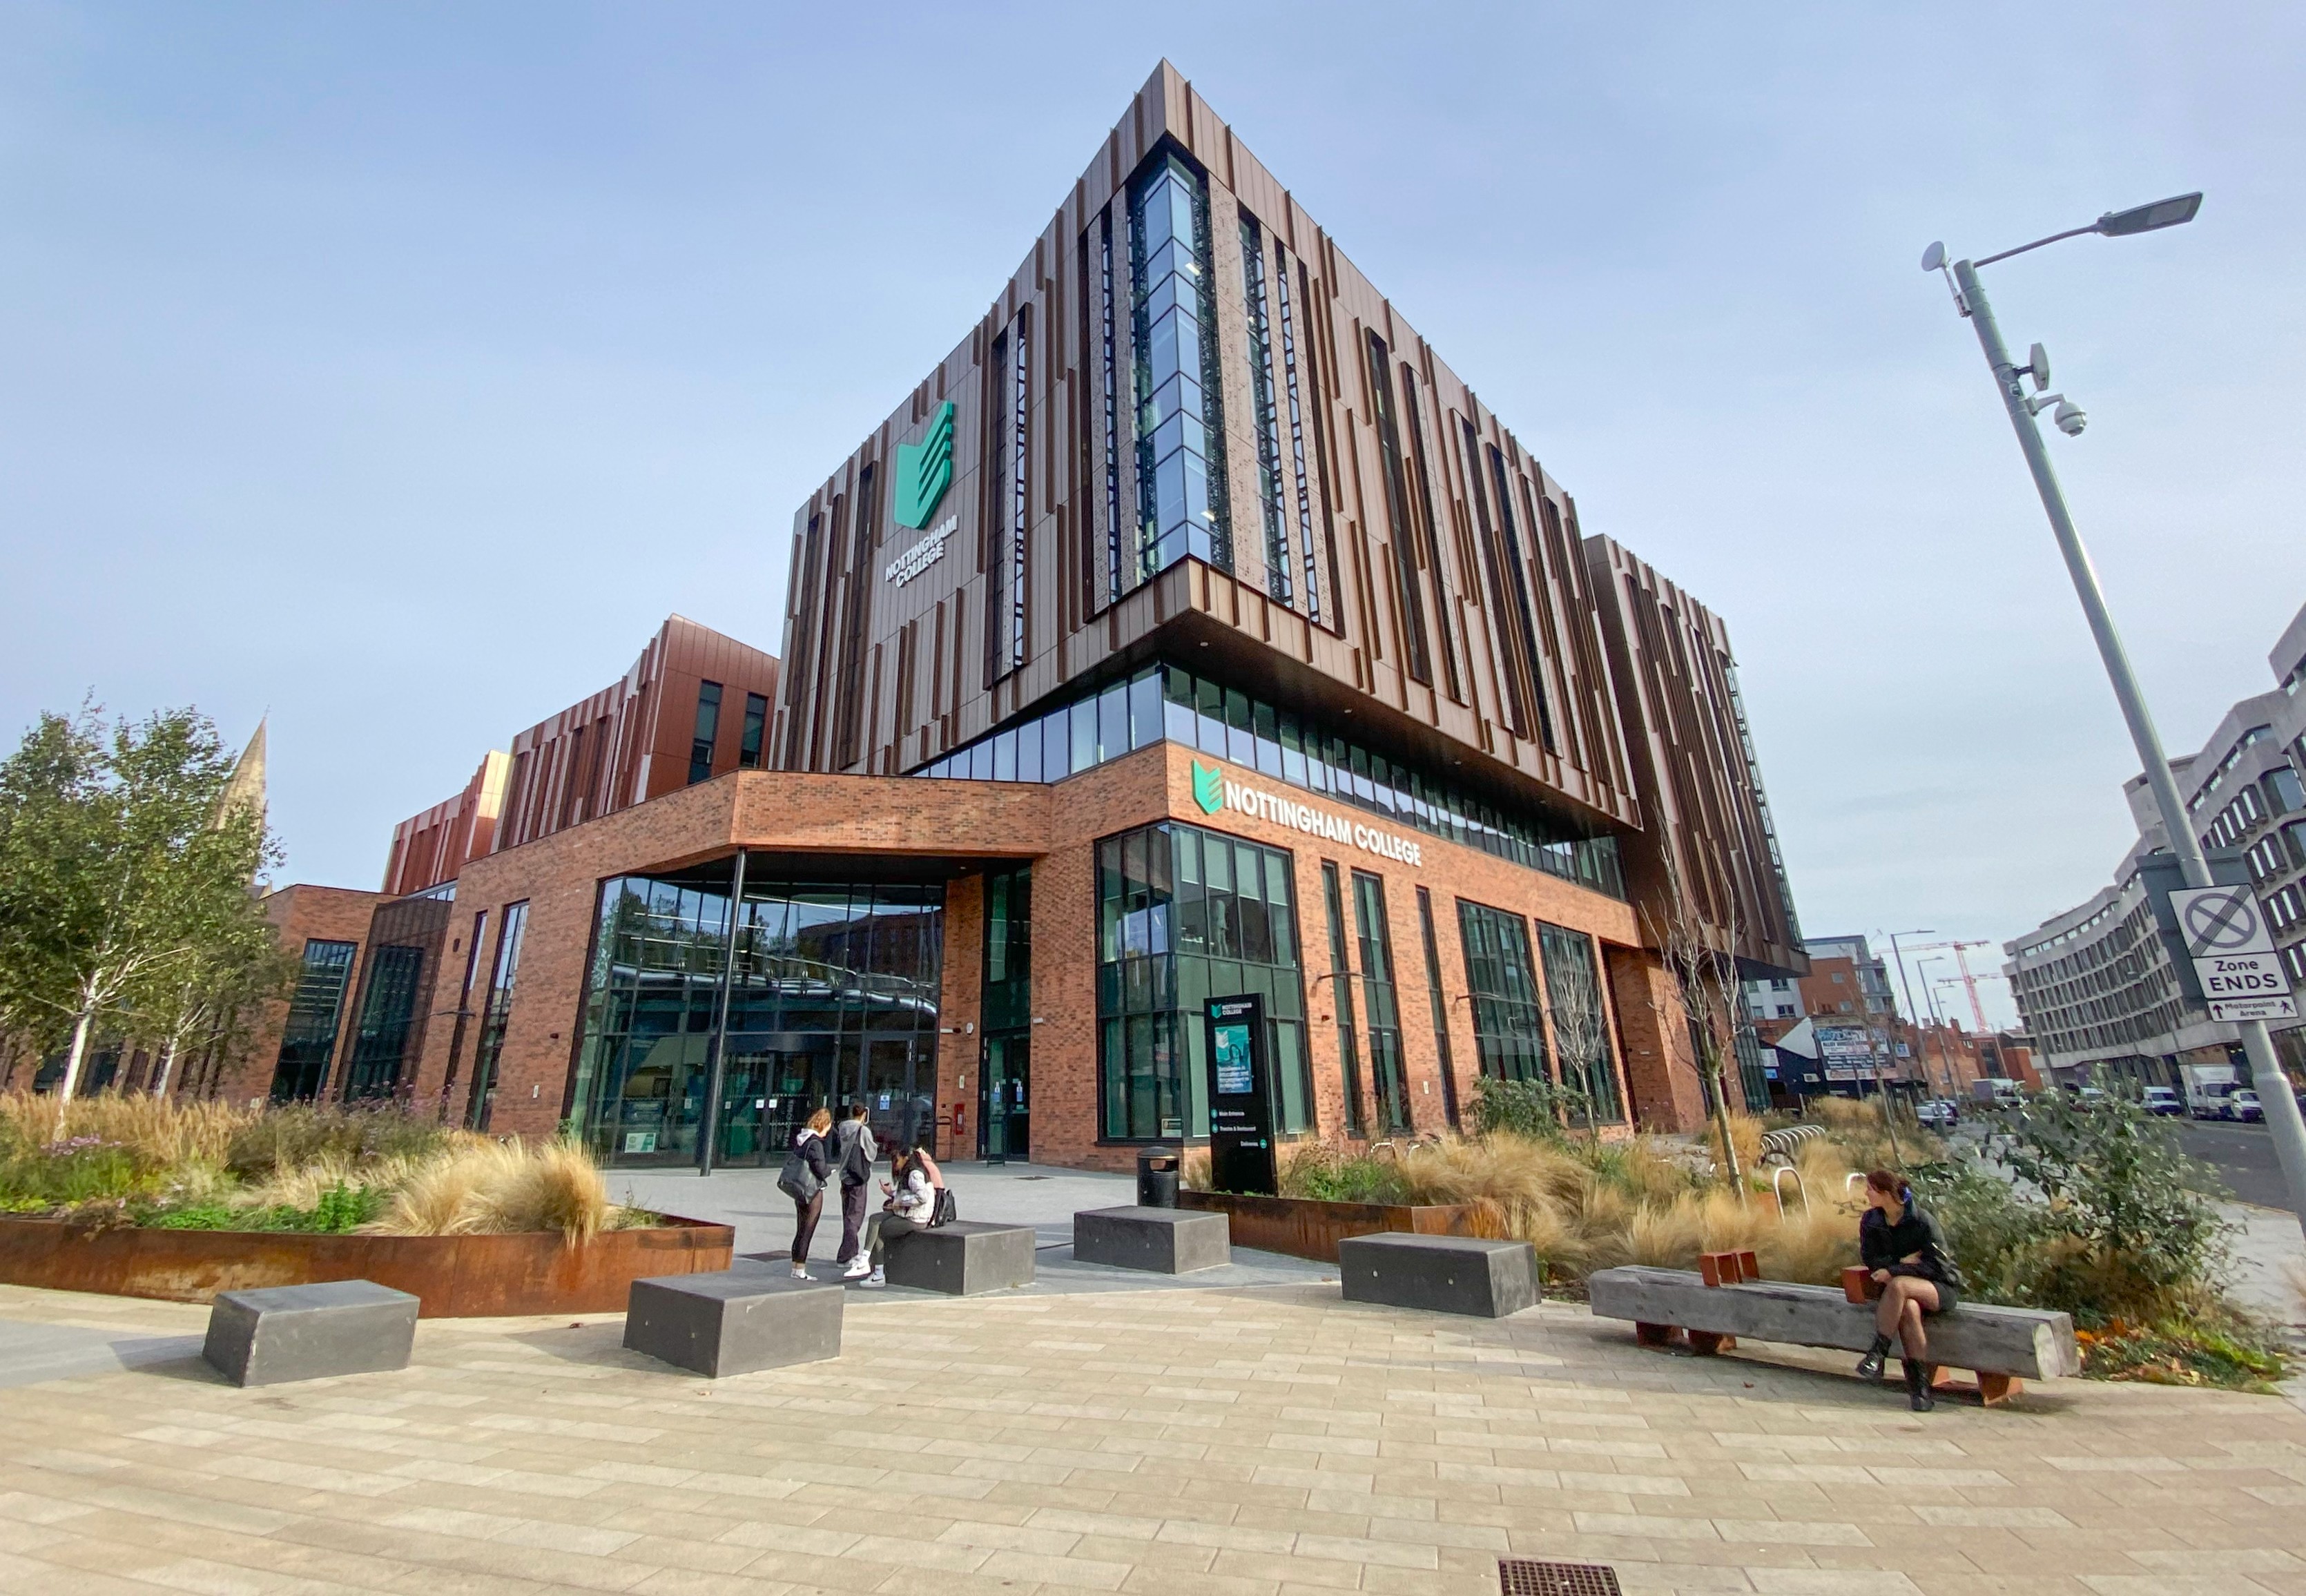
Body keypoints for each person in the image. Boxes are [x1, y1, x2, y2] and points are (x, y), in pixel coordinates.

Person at [1853, 1168, 1963, 1410]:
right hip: (1901, 1296)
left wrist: (1895, 1271)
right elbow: (1871, 1260)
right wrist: (1902, 1263)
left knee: (1899, 1285)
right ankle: (1920, 1391)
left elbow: (1937, 1267)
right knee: (1909, 1309)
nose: (1866, 1193)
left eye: (1870, 1189)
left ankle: (1877, 1354)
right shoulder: (1871, 1221)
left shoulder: (1922, 1221)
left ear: (1885, 1193)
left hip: (1939, 1287)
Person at [855, 1138, 947, 1288]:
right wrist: (891, 1193)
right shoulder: (910, 1171)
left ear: (905, 1158)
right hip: (907, 1213)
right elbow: (908, 1193)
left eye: (896, 1160)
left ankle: (878, 1274)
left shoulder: (915, 1174)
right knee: (875, 1219)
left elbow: (922, 1197)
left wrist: (898, 1202)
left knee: (881, 1231)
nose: (895, 1165)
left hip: (917, 1218)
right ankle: (864, 1259)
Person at [777, 1108, 833, 1280]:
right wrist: (829, 1172)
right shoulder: (815, 1143)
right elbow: (819, 1168)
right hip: (812, 1192)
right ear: (824, 1125)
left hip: (799, 1189)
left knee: (800, 1228)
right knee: (807, 1230)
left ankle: (796, 1267)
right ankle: (800, 1269)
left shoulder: (802, 1140)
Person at [831, 1102, 878, 1275]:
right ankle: (846, 1255)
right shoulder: (862, 1131)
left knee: (848, 1215)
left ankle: (851, 1251)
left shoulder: (842, 1128)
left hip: (845, 1176)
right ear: (864, 1115)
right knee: (856, 1216)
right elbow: (871, 1153)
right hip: (858, 1177)